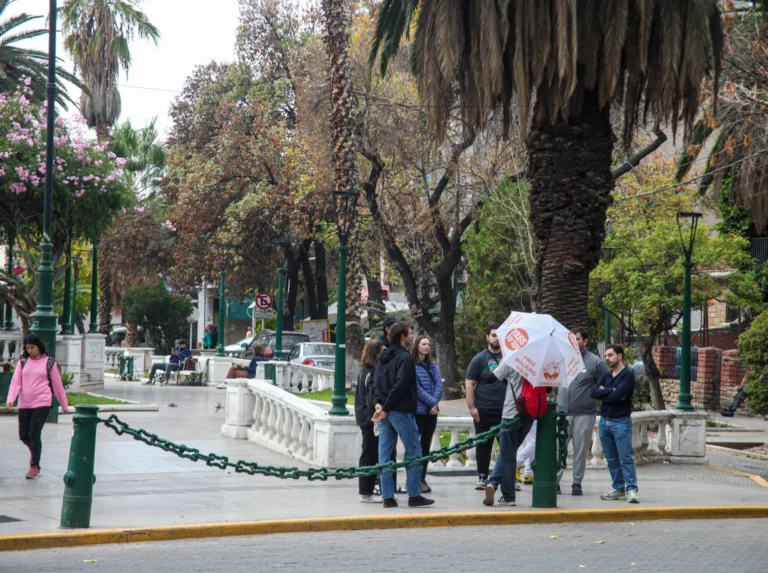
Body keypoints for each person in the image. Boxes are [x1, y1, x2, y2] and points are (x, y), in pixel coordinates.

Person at [371, 321, 434, 508]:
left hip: (383, 410)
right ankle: (414, 494)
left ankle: (388, 497)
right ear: (402, 336)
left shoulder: (382, 356)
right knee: (414, 450)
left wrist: (378, 406)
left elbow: (374, 383)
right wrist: (387, 407)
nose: (412, 334)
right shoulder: (405, 358)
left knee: (385, 454)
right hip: (399, 410)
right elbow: (401, 384)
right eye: (410, 332)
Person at [4, 334, 69, 479]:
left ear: (39, 346)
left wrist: (64, 404)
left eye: (32, 347)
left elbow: (58, 385)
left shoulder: (49, 363)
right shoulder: (22, 363)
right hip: (25, 402)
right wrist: (11, 398)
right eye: (27, 348)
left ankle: (35, 466)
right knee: (23, 435)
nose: (30, 350)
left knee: (34, 433)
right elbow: (16, 382)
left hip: (42, 402)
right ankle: (35, 452)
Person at [556, 327, 608, 496]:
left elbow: (605, 385)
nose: (573, 342)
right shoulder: (562, 359)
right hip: (562, 413)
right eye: (571, 339)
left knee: (580, 451)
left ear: (585, 341)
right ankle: (554, 482)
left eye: (577, 339)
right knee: (558, 448)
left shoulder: (596, 362)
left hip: (584, 414)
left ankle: (576, 483)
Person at [592, 344, 639, 503]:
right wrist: (610, 391)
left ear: (620, 356)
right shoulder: (606, 376)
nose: (607, 358)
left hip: (621, 422)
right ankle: (618, 488)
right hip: (605, 422)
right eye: (606, 355)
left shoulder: (627, 375)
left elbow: (619, 394)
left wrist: (608, 392)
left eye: (610, 355)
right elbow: (594, 392)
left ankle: (631, 489)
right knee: (611, 458)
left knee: (625, 457)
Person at [482, 361, 533, 507]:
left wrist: (501, 367)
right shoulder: (538, 362)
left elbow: (490, 378)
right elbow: (548, 389)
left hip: (511, 414)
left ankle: (508, 496)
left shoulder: (513, 360)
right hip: (529, 415)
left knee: (508, 457)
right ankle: (493, 482)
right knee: (507, 453)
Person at [465, 323, 507, 489]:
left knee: (506, 446)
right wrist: (472, 407)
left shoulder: (508, 357)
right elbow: (469, 384)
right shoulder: (479, 359)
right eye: (494, 335)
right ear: (487, 337)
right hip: (484, 409)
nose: (496, 338)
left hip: (505, 410)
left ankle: (506, 476)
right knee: (483, 445)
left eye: (499, 335)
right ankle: (482, 476)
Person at [355, 339, 385, 503]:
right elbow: (369, 397)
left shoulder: (365, 371)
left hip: (365, 417)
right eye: (381, 352)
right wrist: (377, 410)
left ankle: (369, 489)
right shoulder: (369, 373)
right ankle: (366, 492)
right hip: (369, 419)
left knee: (370, 453)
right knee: (370, 454)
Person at [413, 335, 442, 494]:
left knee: (426, 444)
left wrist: (435, 403)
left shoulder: (432, 365)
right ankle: (414, 477)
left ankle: (422, 477)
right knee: (415, 446)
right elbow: (416, 389)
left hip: (432, 412)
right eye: (423, 344)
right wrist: (431, 402)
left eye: (429, 344)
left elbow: (438, 383)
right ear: (417, 345)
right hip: (418, 411)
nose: (427, 347)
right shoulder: (411, 365)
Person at [516, 420, 537, 485]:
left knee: (531, 441)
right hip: (534, 414)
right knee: (534, 442)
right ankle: (516, 463)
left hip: (532, 415)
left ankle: (529, 473)